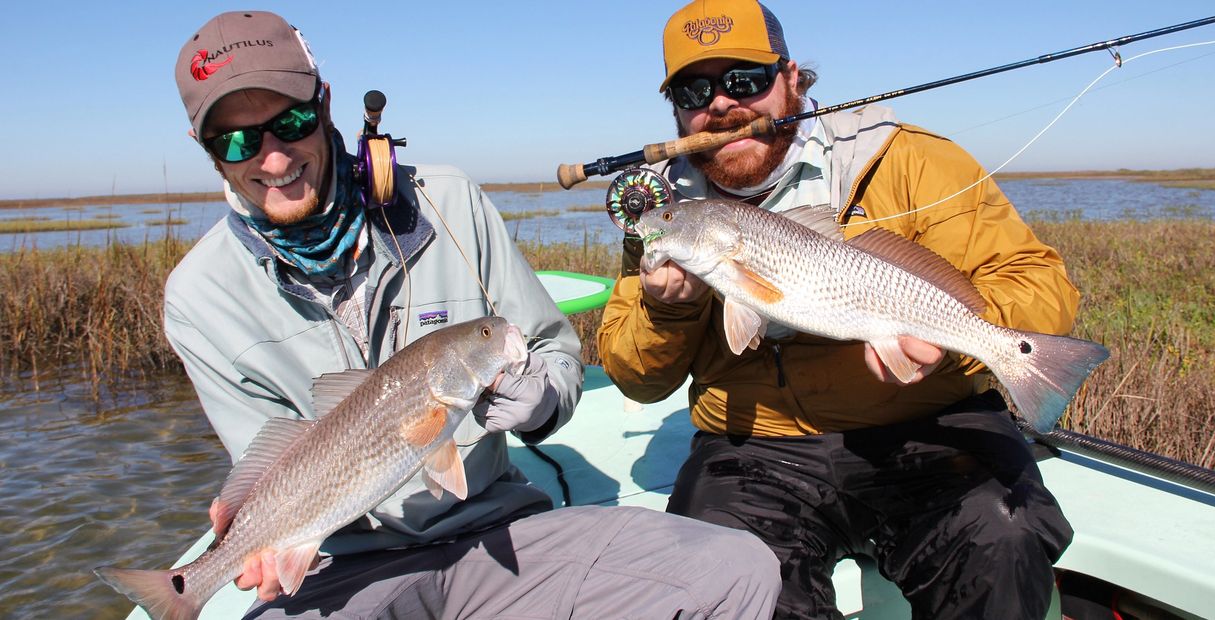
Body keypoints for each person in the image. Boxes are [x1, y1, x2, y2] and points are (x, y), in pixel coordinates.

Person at [164, 10, 780, 619]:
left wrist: (542, 398)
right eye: (237, 140)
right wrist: (255, 542)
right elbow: (265, 465)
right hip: (338, 570)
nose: (272, 159)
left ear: (324, 104)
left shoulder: (448, 201)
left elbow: (555, 354)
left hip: (497, 533)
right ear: (205, 148)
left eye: (291, 121)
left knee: (736, 572)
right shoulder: (198, 299)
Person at [597, 1, 1078, 618]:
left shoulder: (909, 160)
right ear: (676, 108)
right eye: (695, 89)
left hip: (928, 429)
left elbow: (1038, 280)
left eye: (745, 80)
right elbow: (636, 378)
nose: (720, 104)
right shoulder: (666, 208)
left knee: (1003, 538)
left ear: (793, 78)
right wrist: (668, 313)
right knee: (714, 581)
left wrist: (954, 342)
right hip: (754, 448)